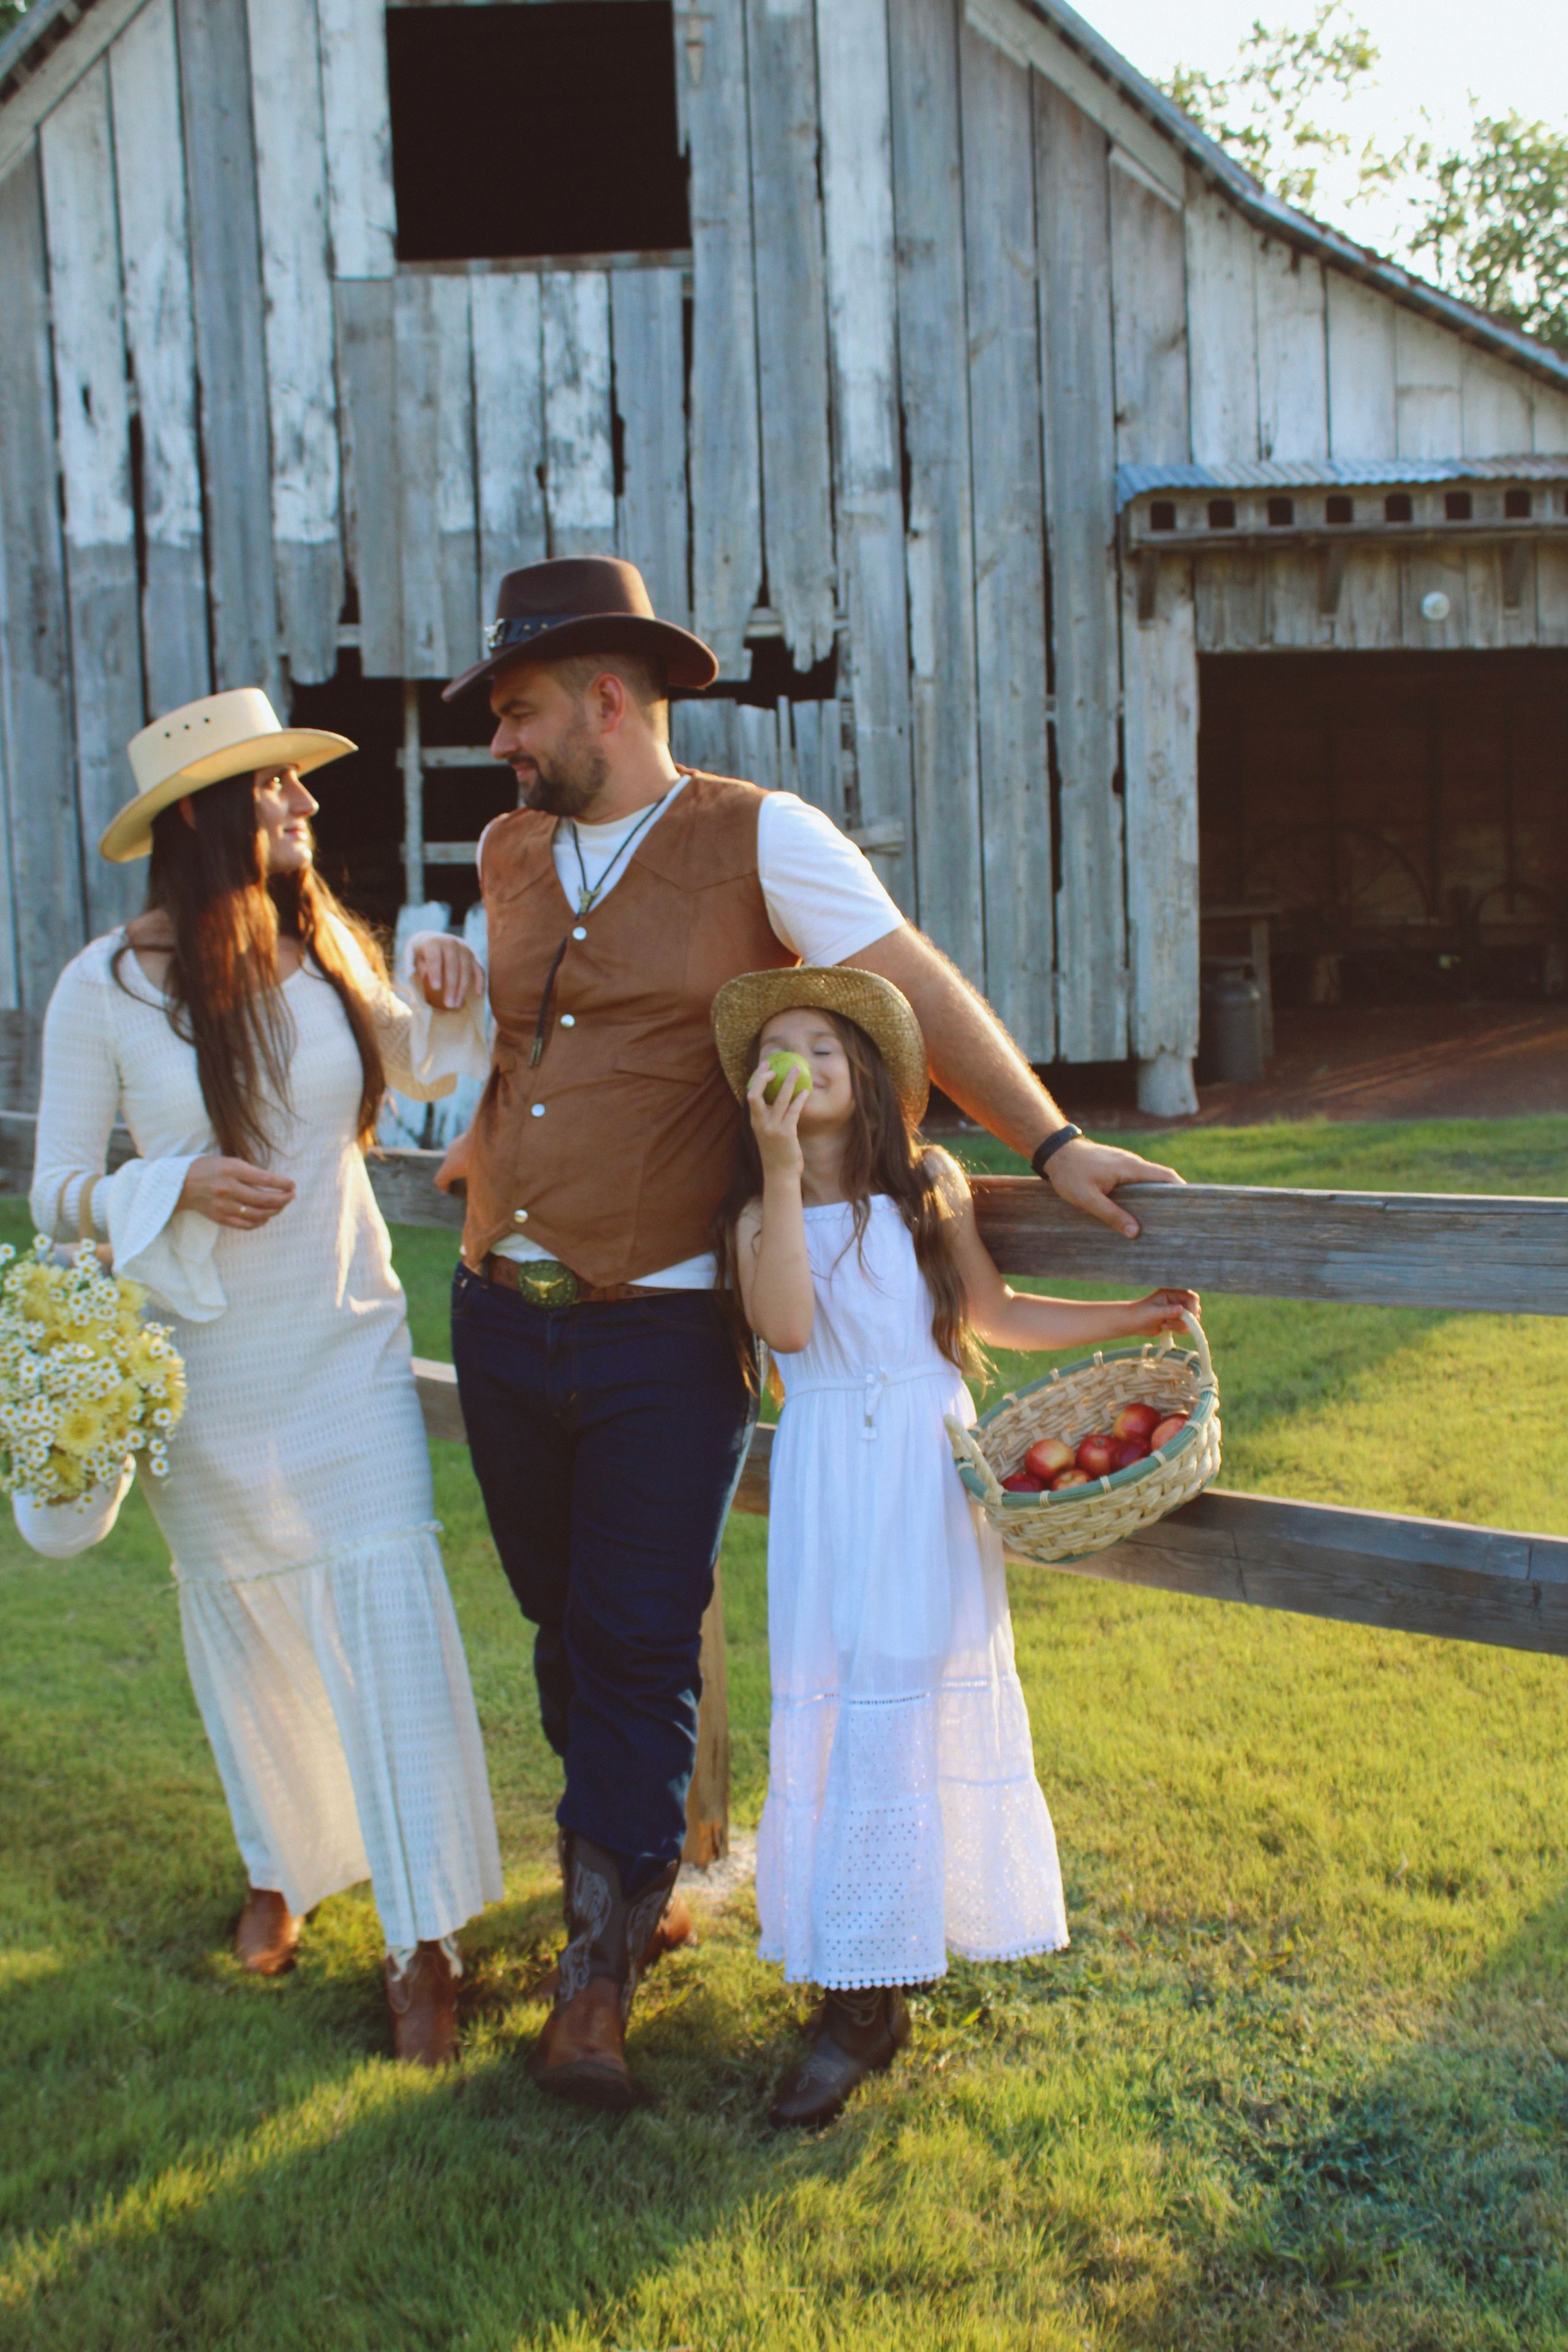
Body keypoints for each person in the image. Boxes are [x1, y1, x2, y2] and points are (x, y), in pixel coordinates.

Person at [434, 555, 1183, 2110]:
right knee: (561, 1626)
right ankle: (634, 1885)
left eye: (517, 711)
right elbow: (525, 1044)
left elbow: (903, 983)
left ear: (607, 698)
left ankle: (595, 1977)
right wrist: (476, 1143)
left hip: (665, 1327)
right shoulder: (506, 851)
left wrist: (1048, 1143)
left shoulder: (761, 836)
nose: (499, 743)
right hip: (500, 1311)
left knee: (637, 1633)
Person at [31, 688, 503, 2067]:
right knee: (249, 1635)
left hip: (344, 1344)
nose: (303, 803)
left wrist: (450, 988)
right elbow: (56, 1188)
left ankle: (425, 1943)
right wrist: (170, 1183)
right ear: (203, 817)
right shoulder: (104, 987)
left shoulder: (325, 946)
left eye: (297, 783)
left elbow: (424, 1065)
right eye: (273, 786)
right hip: (206, 1368)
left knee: (388, 1613)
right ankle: (281, 1863)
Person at [710, 967, 1200, 2125]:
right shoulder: (753, 1217)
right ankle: (862, 1989)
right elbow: (789, 1329)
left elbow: (994, 1314)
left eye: (823, 1047)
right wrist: (778, 1169)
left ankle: (868, 1992)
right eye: (777, 1051)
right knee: (847, 1697)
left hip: (925, 1475)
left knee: (908, 1690)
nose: (800, 1065)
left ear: (866, 1072)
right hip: (832, 1476)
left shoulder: (926, 1186)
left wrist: (1130, 1317)